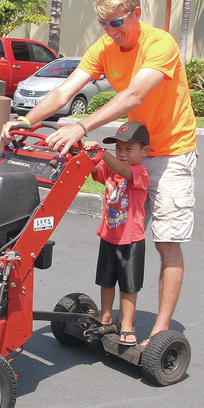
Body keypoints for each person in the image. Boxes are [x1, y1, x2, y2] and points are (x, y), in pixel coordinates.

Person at [0, 0, 197, 344]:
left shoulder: (160, 44)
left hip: (170, 152)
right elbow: (64, 90)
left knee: (166, 242)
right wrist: (26, 120)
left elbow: (134, 95)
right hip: (129, 152)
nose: (110, 31)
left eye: (116, 23)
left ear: (136, 14)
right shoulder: (106, 46)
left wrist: (81, 125)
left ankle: (161, 330)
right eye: (103, 24)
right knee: (121, 235)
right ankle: (112, 316)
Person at [86, 122, 150, 346]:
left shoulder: (139, 173)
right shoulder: (109, 171)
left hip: (131, 240)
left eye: (128, 149)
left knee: (128, 286)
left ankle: (127, 325)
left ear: (144, 152)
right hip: (108, 236)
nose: (122, 154)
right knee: (106, 281)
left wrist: (102, 154)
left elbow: (122, 170)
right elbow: (93, 168)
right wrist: (83, 153)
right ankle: (105, 317)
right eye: (118, 149)